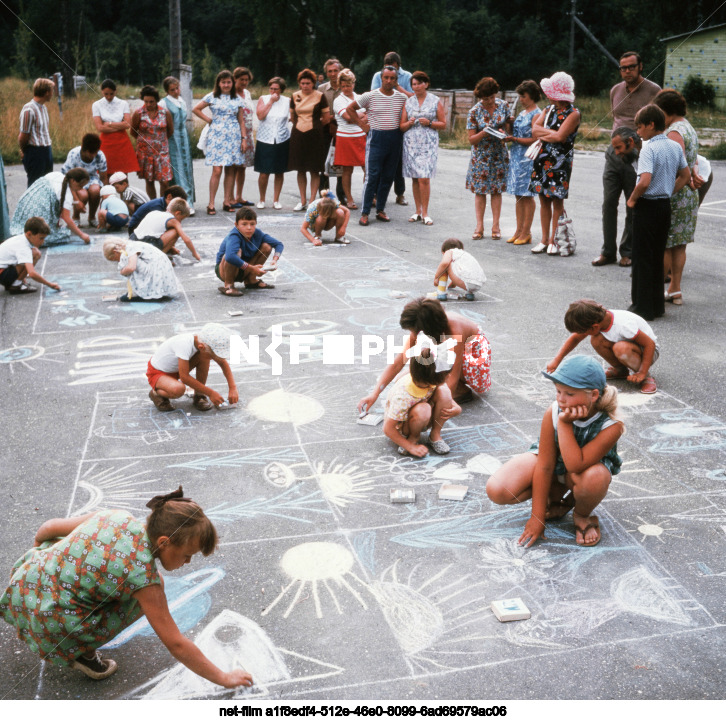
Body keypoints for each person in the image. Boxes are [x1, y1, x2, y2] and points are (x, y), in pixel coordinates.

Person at [0, 485, 253, 688]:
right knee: (150, 595)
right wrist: (223, 678)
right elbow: (176, 643)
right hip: (52, 627)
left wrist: (39, 555)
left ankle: (37, 598)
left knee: (69, 547)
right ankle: (82, 653)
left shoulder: (119, 516)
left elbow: (48, 528)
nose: (188, 562)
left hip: (23, 584)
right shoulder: (143, 577)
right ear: (164, 542)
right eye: (187, 555)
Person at [487, 355, 624, 548]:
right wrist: (538, 517)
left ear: (593, 395)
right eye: (558, 391)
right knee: (497, 490)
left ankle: (582, 515)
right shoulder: (553, 411)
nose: (561, 399)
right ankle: (557, 497)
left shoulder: (611, 425)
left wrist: (564, 424)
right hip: (552, 467)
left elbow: (575, 465)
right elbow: (544, 466)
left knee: (595, 478)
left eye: (569, 394)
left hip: (579, 475)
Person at [357, 298, 490, 449]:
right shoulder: (419, 328)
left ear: (426, 328)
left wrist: (432, 405)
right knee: (402, 379)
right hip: (440, 350)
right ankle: (434, 377)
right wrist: (374, 394)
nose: (412, 334)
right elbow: (397, 363)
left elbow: (452, 376)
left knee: (438, 391)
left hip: (472, 356)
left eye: (414, 331)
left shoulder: (453, 331)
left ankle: (462, 391)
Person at [593, 52, 660, 268]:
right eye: (623, 68)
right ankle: (607, 251)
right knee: (609, 203)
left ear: (641, 66)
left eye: (631, 67)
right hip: (614, 153)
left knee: (633, 203)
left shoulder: (653, 90)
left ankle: (628, 251)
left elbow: (658, 124)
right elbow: (615, 119)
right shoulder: (616, 90)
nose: (627, 71)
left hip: (638, 153)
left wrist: (641, 147)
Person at [627, 104, 689, 321]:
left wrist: (633, 199)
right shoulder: (674, 146)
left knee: (642, 257)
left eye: (640, 127)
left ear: (651, 125)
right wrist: (669, 190)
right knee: (656, 254)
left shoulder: (648, 148)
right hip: (664, 205)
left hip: (647, 205)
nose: (638, 131)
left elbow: (644, 181)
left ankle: (642, 307)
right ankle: (656, 305)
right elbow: (685, 174)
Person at [547, 299, 659, 395]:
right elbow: (575, 338)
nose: (582, 334)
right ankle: (621, 370)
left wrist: (642, 372)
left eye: (584, 331)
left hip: (648, 352)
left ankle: (646, 377)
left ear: (594, 327)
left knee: (620, 348)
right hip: (630, 347)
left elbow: (650, 344)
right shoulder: (599, 320)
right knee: (597, 340)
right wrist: (556, 360)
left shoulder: (623, 325)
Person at [654, 89, 701, 307]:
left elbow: (676, 164)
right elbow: (693, 161)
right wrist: (694, 173)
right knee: (679, 245)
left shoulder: (674, 131)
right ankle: (675, 290)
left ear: (666, 111)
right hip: (689, 193)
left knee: (665, 243)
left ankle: (656, 291)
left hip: (675, 191)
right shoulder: (688, 127)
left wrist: (664, 192)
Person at [345, 65, 407, 225]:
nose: (388, 81)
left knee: (388, 176)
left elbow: (410, 111)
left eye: (392, 78)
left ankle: (380, 210)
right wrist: (362, 125)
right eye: (386, 77)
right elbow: (350, 108)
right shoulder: (370, 96)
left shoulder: (401, 98)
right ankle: (365, 213)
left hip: (394, 138)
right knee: (372, 176)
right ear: (381, 78)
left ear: (396, 80)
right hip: (376, 138)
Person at [383, 334, 461, 457]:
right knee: (423, 409)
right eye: (446, 375)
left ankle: (435, 435)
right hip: (404, 426)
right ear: (433, 379)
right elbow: (388, 428)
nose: (449, 376)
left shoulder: (426, 379)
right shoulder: (403, 395)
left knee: (444, 392)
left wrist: (456, 408)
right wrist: (410, 447)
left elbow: (443, 392)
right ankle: (413, 437)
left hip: (422, 415)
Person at [529, 72, 581, 255]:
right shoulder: (548, 109)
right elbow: (534, 130)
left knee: (557, 201)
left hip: (560, 162)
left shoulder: (573, 114)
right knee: (543, 200)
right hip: (542, 159)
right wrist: (549, 134)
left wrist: (545, 133)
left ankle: (554, 240)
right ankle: (544, 240)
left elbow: (560, 136)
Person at [147, 323, 239, 411]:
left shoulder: (201, 343)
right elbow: (185, 378)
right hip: (158, 372)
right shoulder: (183, 344)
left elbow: (222, 362)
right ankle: (156, 393)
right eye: (213, 355)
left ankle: (199, 395)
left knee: (204, 357)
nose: (214, 359)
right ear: (201, 347)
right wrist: (211, 393)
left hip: (176, 368)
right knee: (178, 389)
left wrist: (232, 388)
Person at [193, 70, 247, 214]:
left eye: (229, 82)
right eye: (223, 82)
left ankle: (227, 201)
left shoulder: (237, 99)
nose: (226, 85)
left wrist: (244, 139)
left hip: (233, 136)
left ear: (232, 83)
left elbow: (241, 121)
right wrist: (209, 120)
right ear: (218, 83)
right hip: (217, 135)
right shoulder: (212, 96)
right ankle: (211, 203)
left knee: (230, 169)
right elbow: (196, 109)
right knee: (217, 170)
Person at [466, 77, 510, 240]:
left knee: (496, 190)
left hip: (499, 154)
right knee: (480, 191)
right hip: (481, 156)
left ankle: (496, 226)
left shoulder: (504, 106)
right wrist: (484, 132)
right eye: (485, 99)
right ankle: (479, 226)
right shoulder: (474, 112)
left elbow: (508, 128)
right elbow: (471, 139)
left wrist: (506, 133)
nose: (489, 101)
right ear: (480, 98)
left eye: (491, 97)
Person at [400, 71, 446, 226]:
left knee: (424, 178)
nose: (416, 86)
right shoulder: (409, 102)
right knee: (415, 177)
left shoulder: (435, 100)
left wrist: (430, 123)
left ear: (426, 84)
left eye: (420, 83)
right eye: (414, 84)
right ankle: (417, 211)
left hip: (428, 143)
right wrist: (410, 123)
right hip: (411, 143)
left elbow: (443, 123)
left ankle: (426, 212)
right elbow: (402, 126)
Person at [371, 51, 413, 206]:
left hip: (400, 120)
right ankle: (375, 194)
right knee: (378, 162)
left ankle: (400, 193)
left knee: (398, 162)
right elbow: (373, 94)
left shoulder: (407, 76)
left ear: (398, 66)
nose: (390, 73)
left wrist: (397, 87)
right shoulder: (378, 75)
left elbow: (412, 98)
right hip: (382, 121)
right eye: (387, 68)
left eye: (393, 69)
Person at [9, 168, 91, 245]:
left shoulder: (57, 175)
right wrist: (82, 235)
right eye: (80, 185)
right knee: (65, 234)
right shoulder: (66, 193)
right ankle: (33, 238)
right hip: (39, 214)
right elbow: (67, 218)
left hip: (25, 205)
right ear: (73, 181)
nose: (81, 189)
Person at [504, 80, 541, 245]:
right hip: (517, 156)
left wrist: (515, 139)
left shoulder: (537, 114)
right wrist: (509, 126)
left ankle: (526, 232)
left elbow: (536, 138)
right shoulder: (522, 113)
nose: (521, 99)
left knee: (527, 195)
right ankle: (518, 230)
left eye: (524, 96)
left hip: (529, 158)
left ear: (532, 96)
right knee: (518, 195)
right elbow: (514, 132)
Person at [288, 68, 331, 211]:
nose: (305, 86)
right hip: (298, 134)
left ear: (313, 83)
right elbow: (293, 117)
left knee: (314, 169)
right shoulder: (294, 96)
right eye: (303, 83)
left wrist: (315, 127)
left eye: (308, 83)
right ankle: (302, 200)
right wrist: (300, 126)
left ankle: (312, 201)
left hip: (315, 135)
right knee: (300, 169)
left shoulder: (320, 96)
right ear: (299, 84)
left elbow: (326, 118)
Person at [215, 207, 283, 296]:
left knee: (267, 247)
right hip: (224, 270)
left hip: (244, 268)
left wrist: (274, 260)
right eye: (244, 224)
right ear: (236, 225)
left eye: (252, 224)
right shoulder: (234, 235)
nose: (249, 228)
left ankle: (251, 280)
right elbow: (230, 257)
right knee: (235, 253)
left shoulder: (257, 233)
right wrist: (252, 268)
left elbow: (279, 244)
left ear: (256, 224)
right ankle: (229, 285)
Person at [130, 85, 174, 200]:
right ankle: (154, 204)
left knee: (164, 181)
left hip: (162, 152)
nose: (148, 104)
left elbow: (170, 131)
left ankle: (164, 203)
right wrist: (145, 142)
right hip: (145, 153)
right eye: (146, 101)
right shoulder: (138, 113)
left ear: (157, 100)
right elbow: (133, 132)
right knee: (149, 181)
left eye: (151, 102)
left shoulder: (165, 113)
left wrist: (159, 141)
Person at [159, 77, 196, 212]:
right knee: (177, 168)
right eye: (172, 89)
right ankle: (183, 203)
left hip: (183, 137)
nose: (176, 91)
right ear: (167, 91)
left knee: (187, 169)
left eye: (177, 88)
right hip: (172, 138)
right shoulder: (163, 103)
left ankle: (189, 200)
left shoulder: (182, 101)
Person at [103, 237, 179, 302]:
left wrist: (122, 272)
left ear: (115, 251)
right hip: (160, 269)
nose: (118, 261)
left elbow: (131, 267)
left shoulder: (129, 248)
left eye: (115, 259)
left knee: (126, 261)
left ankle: (147, 293)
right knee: (128, 261)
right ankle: (153, 291)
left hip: (157, 270)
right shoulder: (132, 245)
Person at [254, 77, 291, 210]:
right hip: (265, 139)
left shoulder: (287, 101)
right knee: (264, 172)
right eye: (271, 88)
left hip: (282, 139)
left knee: (279, 171)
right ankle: (262, 199)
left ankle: (276, 200)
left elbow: (293, 116)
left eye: (276, 89)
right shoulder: (263, 99)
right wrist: (270, 101)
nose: (273, 91)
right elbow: (260, 116)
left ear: (281, 90)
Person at [333, 69, 367, 210]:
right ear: (340, 86)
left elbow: (367, 115)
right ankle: (349, 198)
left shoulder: (360, 97)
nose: (346, 88)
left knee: (368, 168)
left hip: (361, 136)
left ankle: (368, 196)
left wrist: (356, 115)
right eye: (343, 86)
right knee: (347, 170)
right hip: (345, 138)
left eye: (349, 85)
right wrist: (361, 115)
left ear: (354, 83)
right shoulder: (338, 100)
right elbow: (347, 118)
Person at [91, 79, 140, 176]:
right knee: (106, 173)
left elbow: (127, 124)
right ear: (102, 92)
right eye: (106, 94)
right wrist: (119, 125)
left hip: (122, 141)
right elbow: (100, 128)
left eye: (111, 94)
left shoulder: (123, 103)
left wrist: (109, 123)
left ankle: (124, 192)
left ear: (115, 91)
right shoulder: (96, 105)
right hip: (106, 141)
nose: (109, 97)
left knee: (123, 175)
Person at [0, 217, 60, 295]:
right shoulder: (23, 247)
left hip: (4, 271)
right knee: (34, 254)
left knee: (35, 252)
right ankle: (16, 285)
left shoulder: (21, 239)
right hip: (3, 274)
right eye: (41, 238)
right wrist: (49, 284)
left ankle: (15, 282)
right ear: (29, 234)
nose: (43, 241)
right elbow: (32, 273)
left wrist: (23, 278)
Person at [60, 133, 108, 227]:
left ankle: (92, 217)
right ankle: (76, 217)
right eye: (91, 153)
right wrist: (77, 200)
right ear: (84, 149)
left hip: (92, 178)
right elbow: (67, 179)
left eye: (96, 152)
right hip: (76, 180)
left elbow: (103, 178)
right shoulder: (73, 155)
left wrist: (106, 198)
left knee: (95, 190)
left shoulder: (100, 155)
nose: (94, 155)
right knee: (83, 194)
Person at [131, 197, 201, 261]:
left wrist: (171, 248)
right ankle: (159, 258)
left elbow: (154, 231)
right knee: (176, 232)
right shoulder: (173, 221)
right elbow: (186, 239)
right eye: (181, 219)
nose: (180, 222)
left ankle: (155, 254)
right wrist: (195, 254)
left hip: (133, 240)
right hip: (147, 243)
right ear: (177, 213)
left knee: (167, 231)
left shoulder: (155, 212)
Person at [317, 59, 347, 204]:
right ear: (326, 73)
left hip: (342, 128)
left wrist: (333, 117)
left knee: (342, 161)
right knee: (323, 161)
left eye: (335, 70)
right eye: (330, 71)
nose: (333, 74)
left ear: (340, 71)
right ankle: (324, 194)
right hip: (324, 129)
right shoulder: (321, 89)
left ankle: (342, 194)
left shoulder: (346, 87)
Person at [18, 78, 55, 187]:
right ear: (47, 92)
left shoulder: (43, 108)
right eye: (52, 91)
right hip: (35, 151)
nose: (53, 94)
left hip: (46, 149)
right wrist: (24, 151)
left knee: (47, 185)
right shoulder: (29, 110)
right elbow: (23, 136)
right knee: (35, 185)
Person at [231, 67, 256, 208]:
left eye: (247, 80)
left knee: (242, 167)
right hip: (236, 134)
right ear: (235, 79)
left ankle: (239, 196)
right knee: (233, 167)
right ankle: (230, 197)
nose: (244, 82)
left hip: (248, 132)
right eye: (242, 80)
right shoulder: (231, 94)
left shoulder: (246, 93)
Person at [433, 238, 485, 302]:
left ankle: (441, 293)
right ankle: (470, 293)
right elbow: (460, 271)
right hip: (478, 284)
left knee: (444, 266)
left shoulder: (449, 251)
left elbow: (445, 263)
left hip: (467, 282)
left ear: (443, 251)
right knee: (465, 269)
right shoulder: (464, 254)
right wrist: (453, 283)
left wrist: (436, 277)